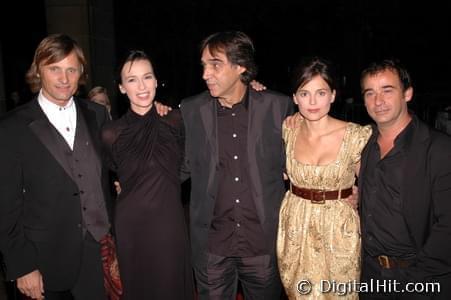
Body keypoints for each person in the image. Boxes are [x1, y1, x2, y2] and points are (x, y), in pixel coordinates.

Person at [179, 30, 294, 300]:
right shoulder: (191, 110)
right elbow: (179, 165)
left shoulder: (278, 107)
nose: (205, 73)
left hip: (262, 245)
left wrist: (342, 192)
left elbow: (302, 160)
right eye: (204, 65)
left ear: (240, 66)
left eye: (215, 64)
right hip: (212, 248)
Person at [0, 34, 111, 300]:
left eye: (71, 69)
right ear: (39, 70)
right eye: (55, 69)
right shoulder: (11, 127)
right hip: (41, 261)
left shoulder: (96, 114)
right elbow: (5, 206)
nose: (64, 78)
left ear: (81, 73)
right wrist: (22, 265)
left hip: (95, 253)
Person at [101, 50, 194, 299]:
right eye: (132, 80)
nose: (141, 86)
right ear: (121, 87)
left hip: (169, 223)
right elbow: (116, 172)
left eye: (147, 77)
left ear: (155, 81)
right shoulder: (111, 133)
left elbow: (188, 165)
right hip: (131, 226)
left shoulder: (176, 121)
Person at [276, 57, 371, 299]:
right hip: (296, 228)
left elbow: (375, 186)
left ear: (333, 95)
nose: (313, 102)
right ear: (295, 98)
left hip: (339, 231)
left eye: (320, 92)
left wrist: (359, 198)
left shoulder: (355, 136)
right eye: (304, 94)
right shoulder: (288, 129)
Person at [358, 59, 451, 299]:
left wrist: (415, 281)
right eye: (370, 93)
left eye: (387, 90)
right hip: (369, 277)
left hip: (420, 280)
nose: (378, 101)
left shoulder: (439, 149)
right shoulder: (362, 143)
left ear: (407, 94)